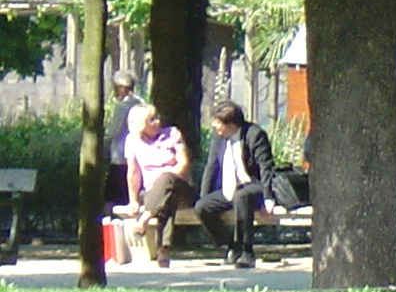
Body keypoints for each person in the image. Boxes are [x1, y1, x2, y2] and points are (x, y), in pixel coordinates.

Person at [197, 100, 290, 270]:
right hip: (229, 188)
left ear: (231, 125)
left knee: (242, 196)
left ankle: (247, 251)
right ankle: (231, 245)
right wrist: (204, 195)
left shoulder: (255, 134)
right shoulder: (219, 137)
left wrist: (268, 199)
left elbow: (265, 168)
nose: (214, 127)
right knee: (202, 207)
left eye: (218, 124)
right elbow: (212, 166)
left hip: (253, 184)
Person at [124, 107, 195, 267]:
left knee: (167, 179)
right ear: (142, 124)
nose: (158, 122)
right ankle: (163, 249)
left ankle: (145, 219)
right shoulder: (132, 140)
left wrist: (165, 180)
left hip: (179, 186)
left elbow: (184, 163)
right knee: (167, 200)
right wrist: (133, 200)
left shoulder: (172, 133)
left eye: (157, 117)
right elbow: (133, 172)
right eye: (152, 120)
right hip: (153, 195)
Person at [105, 72, 145, 206]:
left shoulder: (122, 106)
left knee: (115, 197)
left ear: (123, 88)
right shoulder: (141, 103)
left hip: (120, 157)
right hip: (138, 156)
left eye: (116, 87)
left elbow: (113, 131)